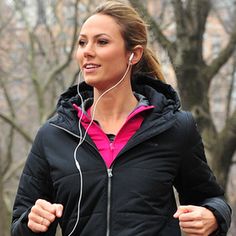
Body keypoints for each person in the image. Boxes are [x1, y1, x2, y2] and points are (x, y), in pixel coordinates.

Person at [11, 1, 231, 235]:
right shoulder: (53, 135)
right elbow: (19, 223)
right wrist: (32, 223)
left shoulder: (176, 128)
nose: (87, 51)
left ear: (133, 54)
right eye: (82, 42)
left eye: (102, 42)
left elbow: (210, 198)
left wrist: (213, 216)